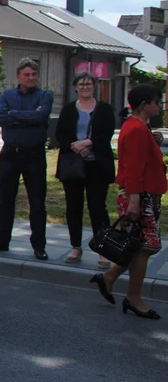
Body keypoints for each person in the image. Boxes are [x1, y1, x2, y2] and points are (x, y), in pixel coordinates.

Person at [89, 85, 165, 319]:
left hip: (144, 194)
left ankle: (110, 277)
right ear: (144, 105)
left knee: (138, 246)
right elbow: (132, 168)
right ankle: (133, 297)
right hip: (139, 195)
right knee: (145, 247)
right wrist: (134, 200)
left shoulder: (140, 127)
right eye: (156, 102)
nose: (159, 106)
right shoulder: (136, 130)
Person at [0, 57, 53, 258]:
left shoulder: (45, 96)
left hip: (34, 155)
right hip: (10, 155)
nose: (31, 78)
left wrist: (14, 114)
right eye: (27, 75)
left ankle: (39, 245)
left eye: (34, 74)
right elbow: (1, 118)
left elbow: (40, 117)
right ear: (18, 77)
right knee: (5, 200)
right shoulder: (7, 95)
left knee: (37, 201)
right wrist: (27, 116)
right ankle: (2, 240)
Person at [54, 72, 115, 264]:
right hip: (73, 164)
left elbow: (106, 134)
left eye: (88, 84)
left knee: (98, 207)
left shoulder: (104, 109)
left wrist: (87, 143)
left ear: (94, 86)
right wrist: (75, 146)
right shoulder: (69, 109)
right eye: (81, 84)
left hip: (97, 165)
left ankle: (103, 249)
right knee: (74, 206)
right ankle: (75, 247)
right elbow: (60, 134)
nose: (85, 87)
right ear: (75, 87)